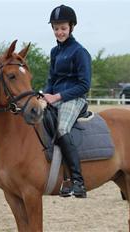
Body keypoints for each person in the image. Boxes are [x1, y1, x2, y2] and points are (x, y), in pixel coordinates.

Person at [43, 5, 92, 198]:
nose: (59, 32)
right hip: (55, 97)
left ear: (71, 27)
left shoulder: (80, 52)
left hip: (74, 98)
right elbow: (51, 79)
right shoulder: (55, 52)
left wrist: (57, 96)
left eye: (63, 28)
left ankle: (78, 181)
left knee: (62, 129)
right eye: (55, 28)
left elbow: (84, 85)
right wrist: (45, 95)